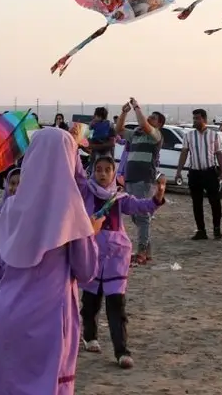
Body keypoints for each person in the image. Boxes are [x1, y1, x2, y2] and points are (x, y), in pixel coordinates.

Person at [0, 129, 103, 395]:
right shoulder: (70, 211)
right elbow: (86, 271)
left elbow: (0, 269)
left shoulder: (11, 207)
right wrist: (90, 232)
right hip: (48, 319)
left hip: (7, 312)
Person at [79, 156, 167, 368]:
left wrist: (157, 197)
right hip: (91, 254)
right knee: (90, 302)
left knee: (116, 305)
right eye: (98, 170)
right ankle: (90, 336)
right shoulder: (84, 193)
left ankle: (121, 351)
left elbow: (141, 206)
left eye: (107, 170)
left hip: (116, 257)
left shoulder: (119, 197)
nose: (102, 174)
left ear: (114, 173)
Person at [114, 99, 165, 264]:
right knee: (137, 216)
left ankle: (142, 252)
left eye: (153, 118)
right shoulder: (136, 133)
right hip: (131, 177)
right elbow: (119, 130)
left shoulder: (156, 136)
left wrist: (136, 108)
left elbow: (143, 123)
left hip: (144, 179)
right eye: (149, 116)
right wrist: (124, 112)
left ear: (159, 125)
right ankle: (146, 252)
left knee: (142, 216)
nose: (149, 118)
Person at [175, 109, 222, 240]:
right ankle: (201, 230)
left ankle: (216, 228)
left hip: (209, 172)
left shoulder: (213, 135)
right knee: (196, 203)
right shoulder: (189, 136)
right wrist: (179, 171)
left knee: (215, 202)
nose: (195, 121)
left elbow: (219, 154)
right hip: (194, 173)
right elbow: (184, 153)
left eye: (197, 118)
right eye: (194, 118)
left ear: (204, 119)